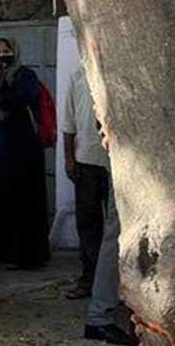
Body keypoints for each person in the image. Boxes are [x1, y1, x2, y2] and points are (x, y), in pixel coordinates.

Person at [0, 37, 50, 270]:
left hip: (22, 144)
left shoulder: (25, 76)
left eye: (5, 51)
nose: (2, 56)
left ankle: (26, 256)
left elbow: (17, 102)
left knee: (23, 198)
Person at [62, 61, 110, 301]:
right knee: (88, 224)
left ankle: (116, 286)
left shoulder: (119, 72)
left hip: (116, 164)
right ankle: (89, 279)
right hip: (86, 162)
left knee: (117, 229)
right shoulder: (78, 75)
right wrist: (69, 159)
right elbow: (68, 122)